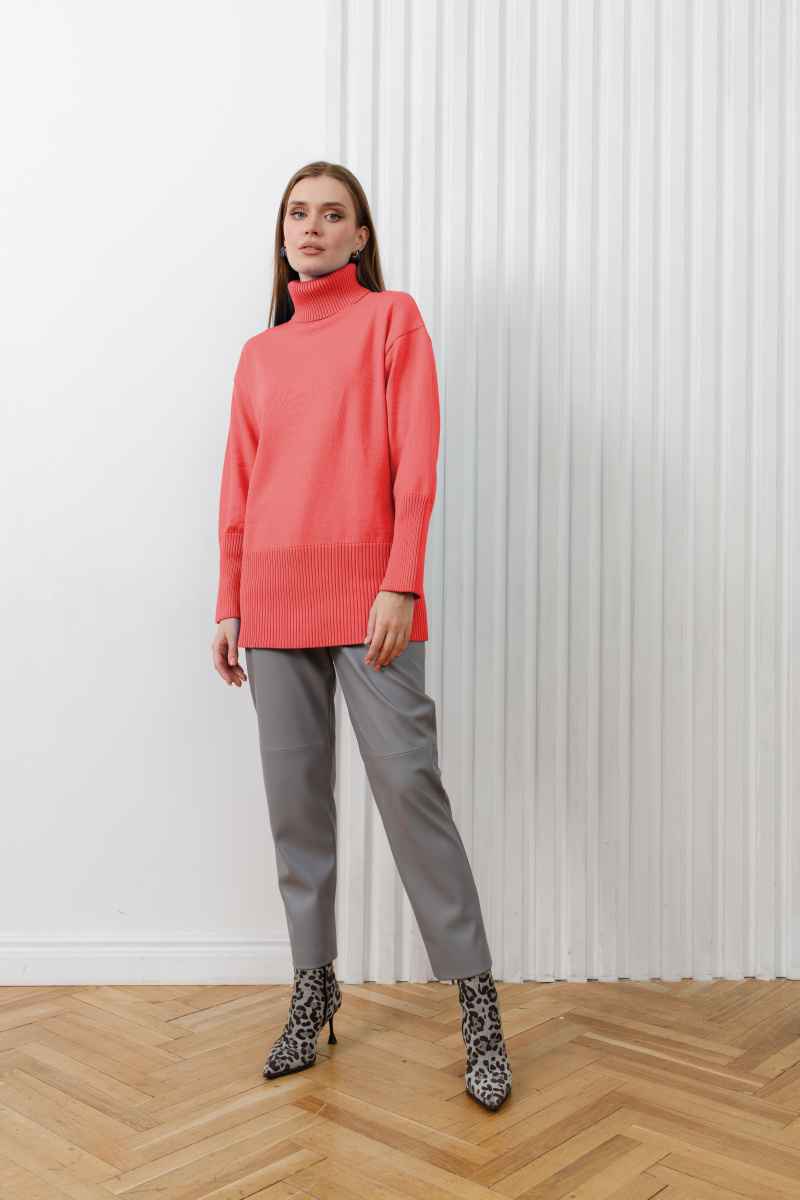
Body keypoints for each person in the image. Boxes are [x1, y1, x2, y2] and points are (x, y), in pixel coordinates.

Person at [211, 161, 512, 1111]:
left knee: (410, 790)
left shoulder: (393, 320)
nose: (312, 227)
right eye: (298, 213)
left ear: (360, 236)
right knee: (296, 812)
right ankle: (314, 989)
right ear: (283, 233)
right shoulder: (260, 354)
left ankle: (478, 1006)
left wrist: (399, 581)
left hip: (372, 600)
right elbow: (239, 485)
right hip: (272, 604)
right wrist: (228, 601)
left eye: (332, 214)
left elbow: (416, 463)